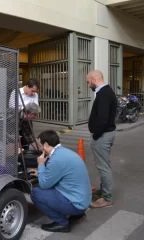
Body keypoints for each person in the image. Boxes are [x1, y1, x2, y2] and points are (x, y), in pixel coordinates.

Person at [30, 130, 92, 233]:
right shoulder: (64, 152)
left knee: (36, 193)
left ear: (46, 144)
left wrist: (41, 165)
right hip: (83, 200)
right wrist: (41, 172)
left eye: (40, 145)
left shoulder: (56, 160)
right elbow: (58, 174)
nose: (40, 148)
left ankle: (62, 223)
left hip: (77, 204)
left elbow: (44, 184)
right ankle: (78, 215)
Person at [86, 70, 117, 208]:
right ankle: (104, 191)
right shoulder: (105, 91)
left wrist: (96, 134)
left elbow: (103, 119)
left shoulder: (104, 94)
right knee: (105, 164)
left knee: (103, 167)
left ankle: (107, 198)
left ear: (94, 79)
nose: (88, 85)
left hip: (103, 136)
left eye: (88, 81)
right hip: (105, 134)